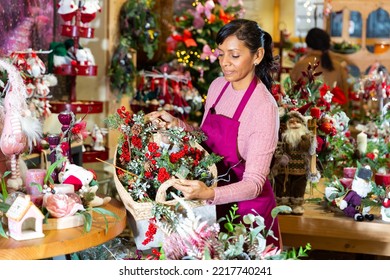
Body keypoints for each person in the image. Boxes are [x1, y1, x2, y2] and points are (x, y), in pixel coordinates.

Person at [147, 19, 281, 249]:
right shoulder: (218, 86)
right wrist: (177, 124)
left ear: (257, 55)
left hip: (247, 215)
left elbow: (255, 183)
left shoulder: (263, 108)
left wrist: (209, 193)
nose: (225, 63)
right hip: (210, 202)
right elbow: (206, 138)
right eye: (220, 54)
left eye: (234, 55)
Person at [289, 28, 350, 101]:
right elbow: (345, 96)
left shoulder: (300, 65)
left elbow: (292, 95)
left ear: (308, 44)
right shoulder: (338, 66)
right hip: (334, 111)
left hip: (305, 111)